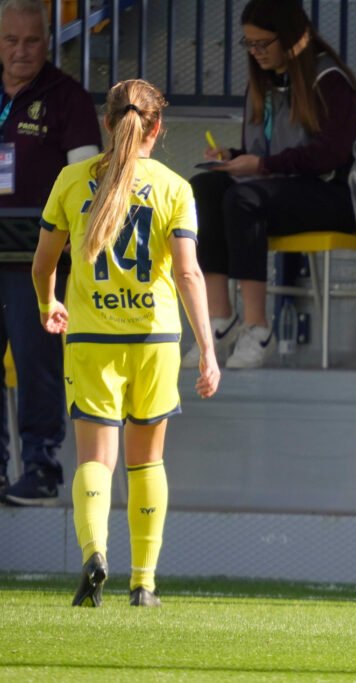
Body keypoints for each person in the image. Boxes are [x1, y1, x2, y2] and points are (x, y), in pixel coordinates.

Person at [32, 79, 220, 607]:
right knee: (147, 461)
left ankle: (95, 552)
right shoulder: (174, 187)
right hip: (154, 337)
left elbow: (43, 264)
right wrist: (208, 349)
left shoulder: (72, 179)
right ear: (156, 128)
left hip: (91, 336)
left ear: (107, 123)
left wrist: (48, 304)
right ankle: (144, 583)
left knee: (95, 458)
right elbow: (188, 273)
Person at [182, 0, 356, 369]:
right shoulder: (264, 82)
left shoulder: (329, 81)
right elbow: (266, 150)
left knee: (243, 198)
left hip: (332, 195)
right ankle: (220, 317)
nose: (255, 52)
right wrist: (233, 156)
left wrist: (262, 165)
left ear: (293, 38)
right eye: (249, 44)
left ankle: (258, 327)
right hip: (277, 188)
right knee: (204, 187)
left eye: (263, 43)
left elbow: (328, 155)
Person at [0, 0, 101, 506]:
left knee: (36, 363)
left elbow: (87, 187)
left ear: (48, 41)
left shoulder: (68, 98)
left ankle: (41, 468)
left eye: (32, 40)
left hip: (38, 261)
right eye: (10, 40)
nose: (21, 51)